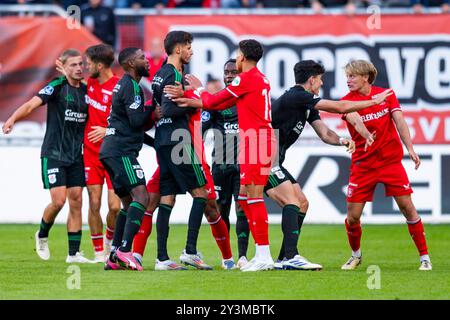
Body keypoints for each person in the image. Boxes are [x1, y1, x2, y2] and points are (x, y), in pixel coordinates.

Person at [265, 60, 392, 271]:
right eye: (320, 79)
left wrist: (342, 140)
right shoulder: (296, 96)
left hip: (272, 160)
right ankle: (290, 256)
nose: (321, 83)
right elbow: (340, 107)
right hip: (259, 158)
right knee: (292, 202)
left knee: (302, 203)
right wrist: (373, 101)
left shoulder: (305, 105)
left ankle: (283, 258)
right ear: (312, 80)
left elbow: (325, 133)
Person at [168, 39, 278, 272]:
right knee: (247, 197)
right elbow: (219, 104)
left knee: (255, 197)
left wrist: (198, 88)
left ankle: (264, 255)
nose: (236, 58)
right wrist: (192, 99)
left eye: (238, 54)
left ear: (243, 57)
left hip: (255, 140)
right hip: (258, 139)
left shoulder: (245, 78)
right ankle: (260, 253)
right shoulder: (259, 78)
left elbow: (216, 99)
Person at [152, 31, 233, 271]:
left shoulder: (159, 74)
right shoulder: (174, 73)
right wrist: (193, 95)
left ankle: (162, 258)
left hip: (163, 139)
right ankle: (189, 251)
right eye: (188, 47)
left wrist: (184, 97)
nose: (191, 51)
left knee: (167, 197)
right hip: (179, 141)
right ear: (178, 49)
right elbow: (168, 109)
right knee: (202, 195)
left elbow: (160, 110)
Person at [340, 59, 432, 271]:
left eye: (352, 76)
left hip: (390, 162)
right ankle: (355, 256)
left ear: (365, 77)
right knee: (353, 217)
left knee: (407, 208)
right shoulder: (346, 100)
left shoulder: (386, 95)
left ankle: (424, 257)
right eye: (347, 76)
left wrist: (410, 148)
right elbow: (354, 119)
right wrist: (365, 135)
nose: (348, 80)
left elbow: (400, 121)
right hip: (363, 164)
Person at [2, 49, 92, 263]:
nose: (78, 68)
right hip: (53, 153)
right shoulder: (56, 86)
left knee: (77, 201)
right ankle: (42, 234)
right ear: (62, 66)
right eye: (73, 65)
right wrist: (13, 118)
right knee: (59, 201)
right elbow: (32, 104)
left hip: (76, 155)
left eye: (80, 64)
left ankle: (74, 254)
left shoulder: (88, 91)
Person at [100, 47, 153, 271]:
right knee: (142, 196)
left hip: (111, 150)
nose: (146, 60)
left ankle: (114, 256)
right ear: (131, 63)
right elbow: (136, 121)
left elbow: (132, 125)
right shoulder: (132, 86)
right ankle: (124, 249)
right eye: (141, 57)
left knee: (127, 203)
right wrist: (154, 112)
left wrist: (155, 143)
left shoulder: (125, 84)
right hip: (120, 151)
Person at [201, 59, 250, 269]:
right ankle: (227, 257)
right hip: (220, 164)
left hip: (243, 165)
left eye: (233, 72)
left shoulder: (247, 100)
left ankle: (243, 256)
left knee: (242, 207)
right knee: (222, 209)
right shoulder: (216, 102)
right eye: (226, 72)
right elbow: (201, 128)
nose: (229, 75)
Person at [81, 45, 121, 262]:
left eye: (88, 63)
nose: (86, 67)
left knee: (115, 206)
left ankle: (108, 240)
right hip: (90, 154)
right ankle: (98, 252)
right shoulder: (90, 84)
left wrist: (107, 130)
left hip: (112, 154)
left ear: (99, 65)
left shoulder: (118, 88)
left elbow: (128, 123)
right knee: (94, 202)